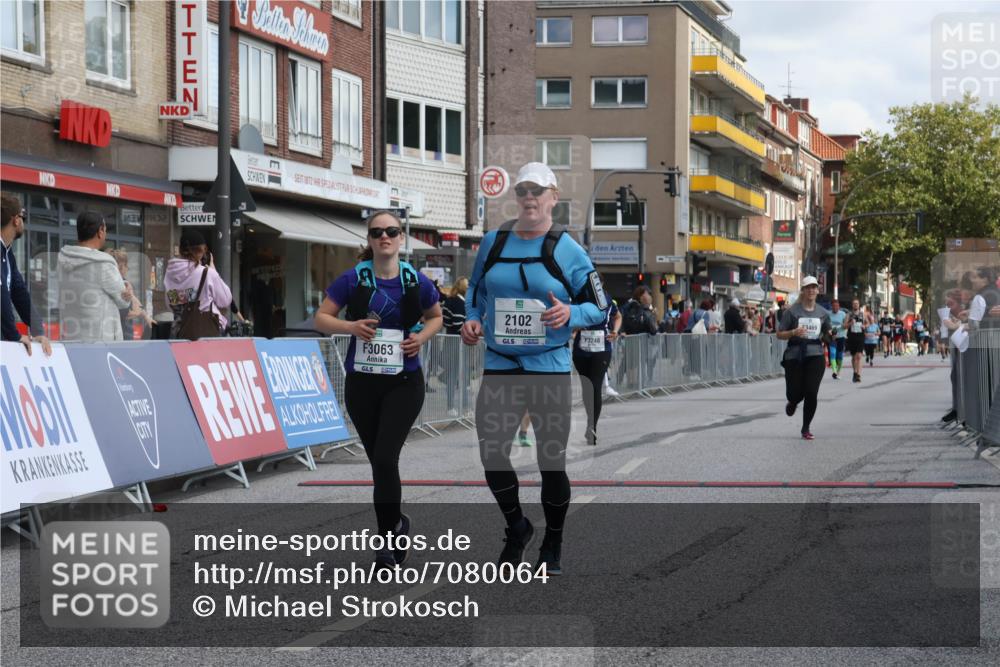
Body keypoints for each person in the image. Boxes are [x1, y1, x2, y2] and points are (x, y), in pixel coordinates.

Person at [460, 162, 606, 575]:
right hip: (501, 364)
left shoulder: (569, 249)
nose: (529, 197)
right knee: (492, 455)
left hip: (549, 368)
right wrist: (471, 320)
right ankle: (517, 526)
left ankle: (553, 542)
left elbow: (601, 306)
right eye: (522, 190)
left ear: (553, 198)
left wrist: (570, 313)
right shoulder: (493, 241)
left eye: (537, 191)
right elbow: (475, 291)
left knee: (550, 461)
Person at [315, 210, 443, 569]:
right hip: (363, 384)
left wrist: (421, 337)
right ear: (369, 240)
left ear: (401, 238)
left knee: (386, 458)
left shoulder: (415, 281)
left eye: (391, 231)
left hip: (404, 382)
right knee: (380, 465)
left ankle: (385, 543)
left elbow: (437, 317)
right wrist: (351, 327)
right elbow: (321, 318)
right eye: (376, 232)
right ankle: (398, 523)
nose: (384, 237)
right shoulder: (353, 279)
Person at [58, 211, 132, 342]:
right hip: (100, 343)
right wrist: (128, 294)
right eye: (105, 229)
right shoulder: (103, 264)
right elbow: (123, 301)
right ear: (100, 231)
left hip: (71, 339)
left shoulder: (63, 259)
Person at [776, 276, 831, 440]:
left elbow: (827, 334)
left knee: (811, 392)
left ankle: (806, 427)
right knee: (794, 394)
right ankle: (792, 402)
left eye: (814, 287)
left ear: (817, 290)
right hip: (795, 356)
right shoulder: (792, 312)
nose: (811, 290)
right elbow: (779, 334)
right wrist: (793, 332)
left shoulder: (823, 313)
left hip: (816, 356)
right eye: (808, 288)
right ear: (803, 290)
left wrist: (830, 335)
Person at [1, 196, 51, 356]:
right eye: (23, 218)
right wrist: (14, 335)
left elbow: (19, 292)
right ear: (16, 220)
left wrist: (38, 331)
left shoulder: (8, 254)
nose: (24, 222)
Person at [164, 229, 233, 339]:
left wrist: (190, 295)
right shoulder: (207, 273)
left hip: (180, 333)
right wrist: (213, 271)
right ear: (200, 251)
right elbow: (225, 300)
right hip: (205, 333)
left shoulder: (170, 272)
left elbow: (170, 303)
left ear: (181, 250)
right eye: (204, 250)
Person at [573, 283, 620, 446]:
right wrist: (575, 327)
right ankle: (590, 422)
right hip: (581, 350)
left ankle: (592, 426)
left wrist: (615, 331)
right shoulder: (578, 299)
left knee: (595, 386)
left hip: (602, 349)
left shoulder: (607, 299)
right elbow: (571, 320)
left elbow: (618, 316)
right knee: (587, 388)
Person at [107, 248, 154, 340]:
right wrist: (144, 315)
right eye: (125, 265)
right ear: (119, 267)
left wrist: (142, 314)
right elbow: (133, 304)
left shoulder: (112, 284)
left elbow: (135, 303)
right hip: (123, 334)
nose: (127, 268)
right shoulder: (125, 284)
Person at [441, 277, 468, 417]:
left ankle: (454, 405)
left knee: (455, 375)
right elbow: (459, 325)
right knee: (460, 376)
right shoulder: (459, 303)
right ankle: (459, 406)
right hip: (458, 343)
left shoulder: (449, 300)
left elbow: (446, 322)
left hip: (449, 341)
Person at [827, 299, 847, 379]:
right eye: (834, 306)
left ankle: (838, 372)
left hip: (841, 337)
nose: (835, 307)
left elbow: (845, 325)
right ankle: (834, 371)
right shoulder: (828, 314)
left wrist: (844, 326)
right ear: (831, 306)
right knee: (832, 354)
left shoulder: (843, 314)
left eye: (837, 306)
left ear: (839, 306)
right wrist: (829, 332)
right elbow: (826, 325)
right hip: (832, 338)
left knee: (839, 356)